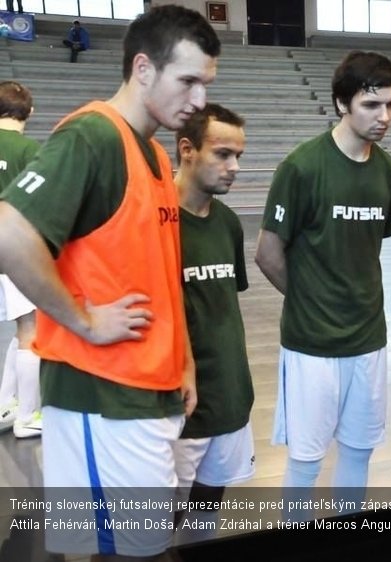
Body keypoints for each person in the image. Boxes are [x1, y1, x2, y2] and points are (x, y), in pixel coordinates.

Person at [0, 5, 220, 560]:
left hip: (150, 388)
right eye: (187, 81)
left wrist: (183, 361)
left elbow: (157, 272)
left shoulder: (148, 148)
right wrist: (84, 319)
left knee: (141, 545)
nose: (198, 101)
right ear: (143, 68)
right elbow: (8, 234)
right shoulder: (93, 135)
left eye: (206, 84)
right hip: (104, 395)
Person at [255, 50, 391, 517]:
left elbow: (365, 249)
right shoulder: (301, 167)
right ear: (342, 103)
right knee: (306, 459)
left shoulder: (384, 168)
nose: (384, 117)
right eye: (371, 105)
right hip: (312, 343)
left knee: (359, 451)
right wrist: (309, 300)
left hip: (368, 338)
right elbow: (266, 253)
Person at [170, 103, 254, 544]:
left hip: (229, 398)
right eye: (222, 154)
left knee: (205, 517)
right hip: (178, 408)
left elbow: (225, 310)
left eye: (238, 155)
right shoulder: (155, 221)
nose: (234, 167)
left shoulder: (228, 224)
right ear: (187, 149)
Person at [0, 80, 41, 439]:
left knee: (19, 326)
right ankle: (28, 416)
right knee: (32, 330)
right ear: (28, 112)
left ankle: (5, 404)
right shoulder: (29, 151)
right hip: (12, 252)